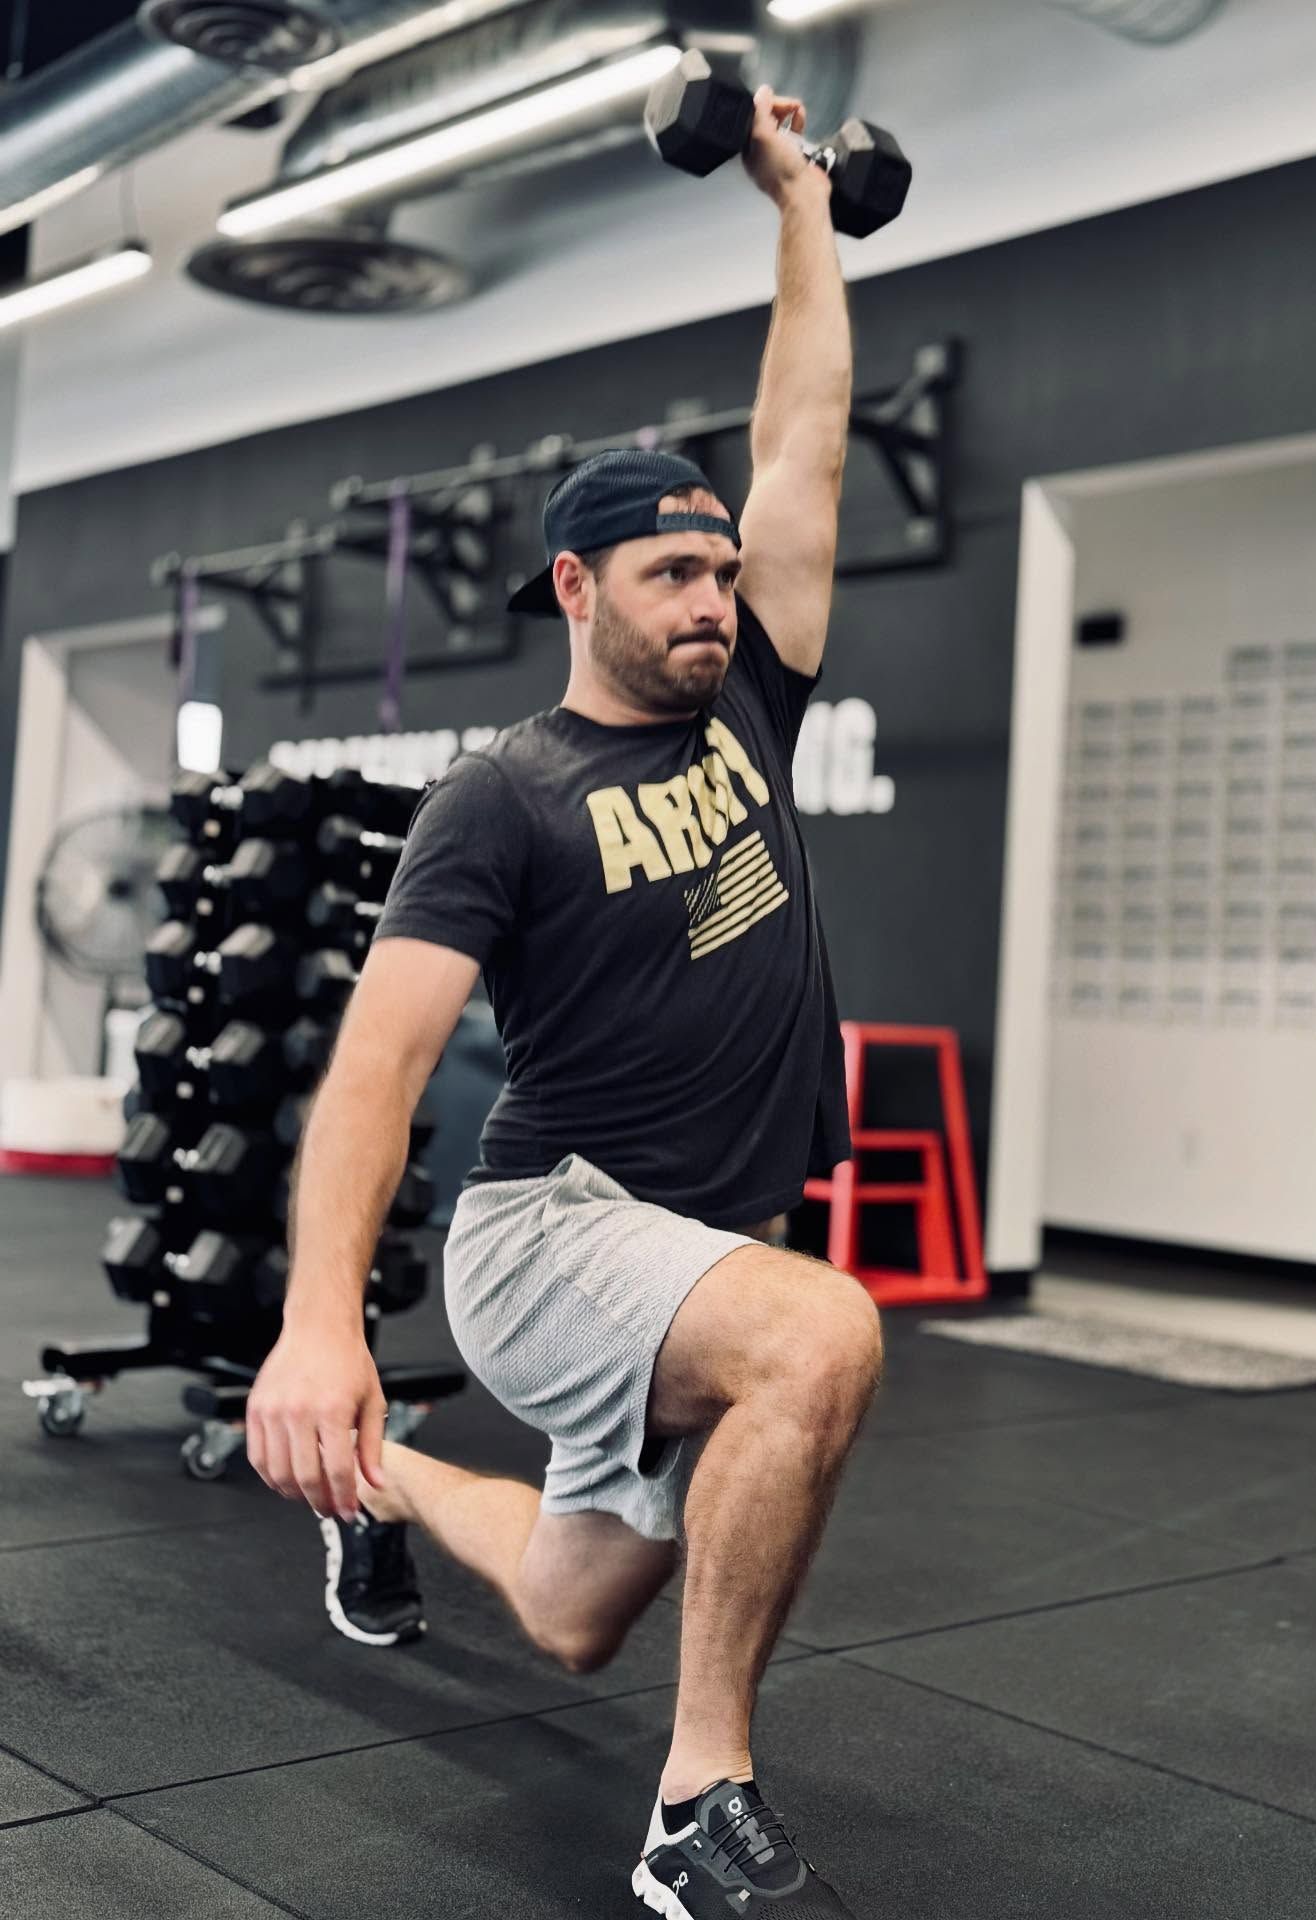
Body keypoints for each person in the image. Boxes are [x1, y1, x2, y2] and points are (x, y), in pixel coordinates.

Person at [247, 83, 881, 1919]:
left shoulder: (746, 696)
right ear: (577, 585)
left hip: (694, 1235)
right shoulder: (502, 794)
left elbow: (808, 433)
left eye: (724, 570)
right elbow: (379, 1065)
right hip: (557, 1230)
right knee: (822, 1340)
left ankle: (378, 1493)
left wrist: (799, 210)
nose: (715, 598)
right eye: (676, 574)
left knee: (576, 1606)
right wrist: (315, 1328)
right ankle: (699, 1815)